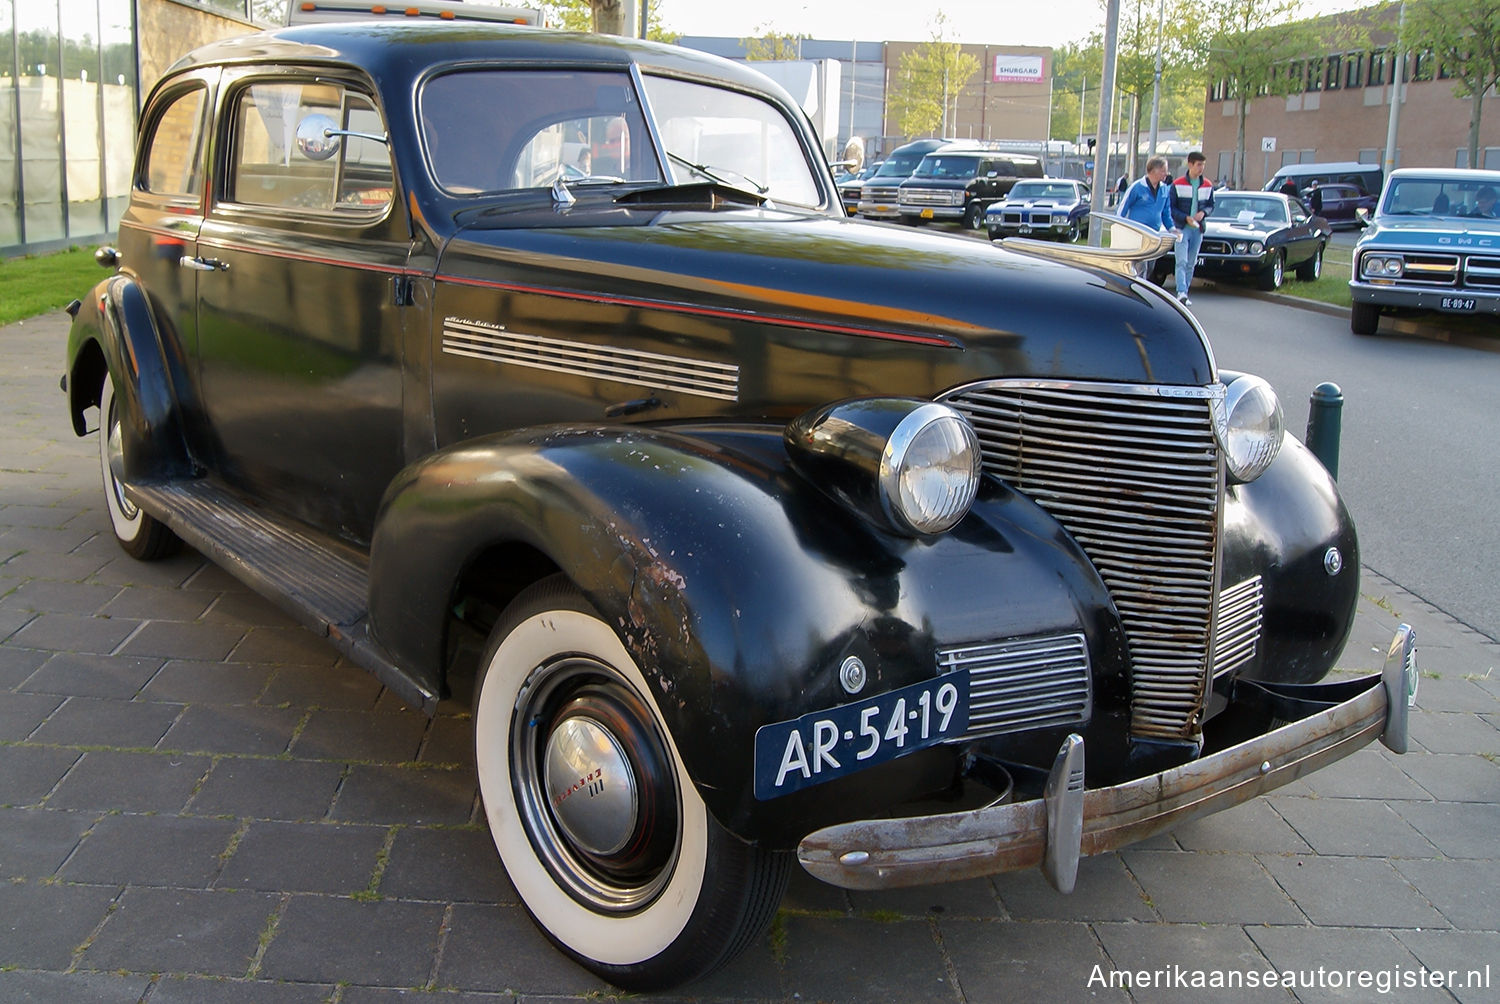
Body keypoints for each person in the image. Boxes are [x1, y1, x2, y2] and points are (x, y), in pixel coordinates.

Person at [1118, 156, 1176, 278]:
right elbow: (1122, 209)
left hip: (1154, 235)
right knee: (1141, 267)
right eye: (1163, 170)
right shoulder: (1137, 187)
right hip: (1138, 235)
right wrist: (1120, 228)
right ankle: (1137, 293)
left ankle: (1142, 289)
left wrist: (1172, 229)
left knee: (1150, 268)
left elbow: (1166, 212)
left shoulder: (1164, 189)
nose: (1166, 173)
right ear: (1154, 170)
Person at [1169, 151, 1215, 305]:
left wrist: (1203, 212)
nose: (1201, 168)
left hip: (1198, 228)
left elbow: (1211, 205)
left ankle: (1185, 292)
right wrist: (1184, 217)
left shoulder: (1207, 185)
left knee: (1191, 261)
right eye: (1198, 165)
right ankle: (1181, 291)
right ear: (1190, 165)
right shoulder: (1177, 184)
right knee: (1181, 260)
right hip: (1182, 227)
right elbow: (1171, 207)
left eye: (1203, 165)